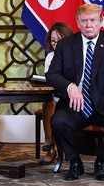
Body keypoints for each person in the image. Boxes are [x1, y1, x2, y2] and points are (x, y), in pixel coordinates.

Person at [46, 3, 104, 181]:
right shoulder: (65, 45)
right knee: (58, 121)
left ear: (101, 21)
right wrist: (70, 86)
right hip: (76, 105)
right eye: (84, 21)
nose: (89, 25)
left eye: (93, 20)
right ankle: (75, 162)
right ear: (78, 23)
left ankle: (101, 162)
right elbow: (52, 74)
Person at [39, 22, 73, 165]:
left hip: (72, 96)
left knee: (53, 102)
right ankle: (50, 144)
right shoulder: (50, 57)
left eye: (60, 39)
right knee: (48, 101)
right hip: (56, 95)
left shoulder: (76, 54)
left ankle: (54, 145)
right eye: (53, 40)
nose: (56, 44)